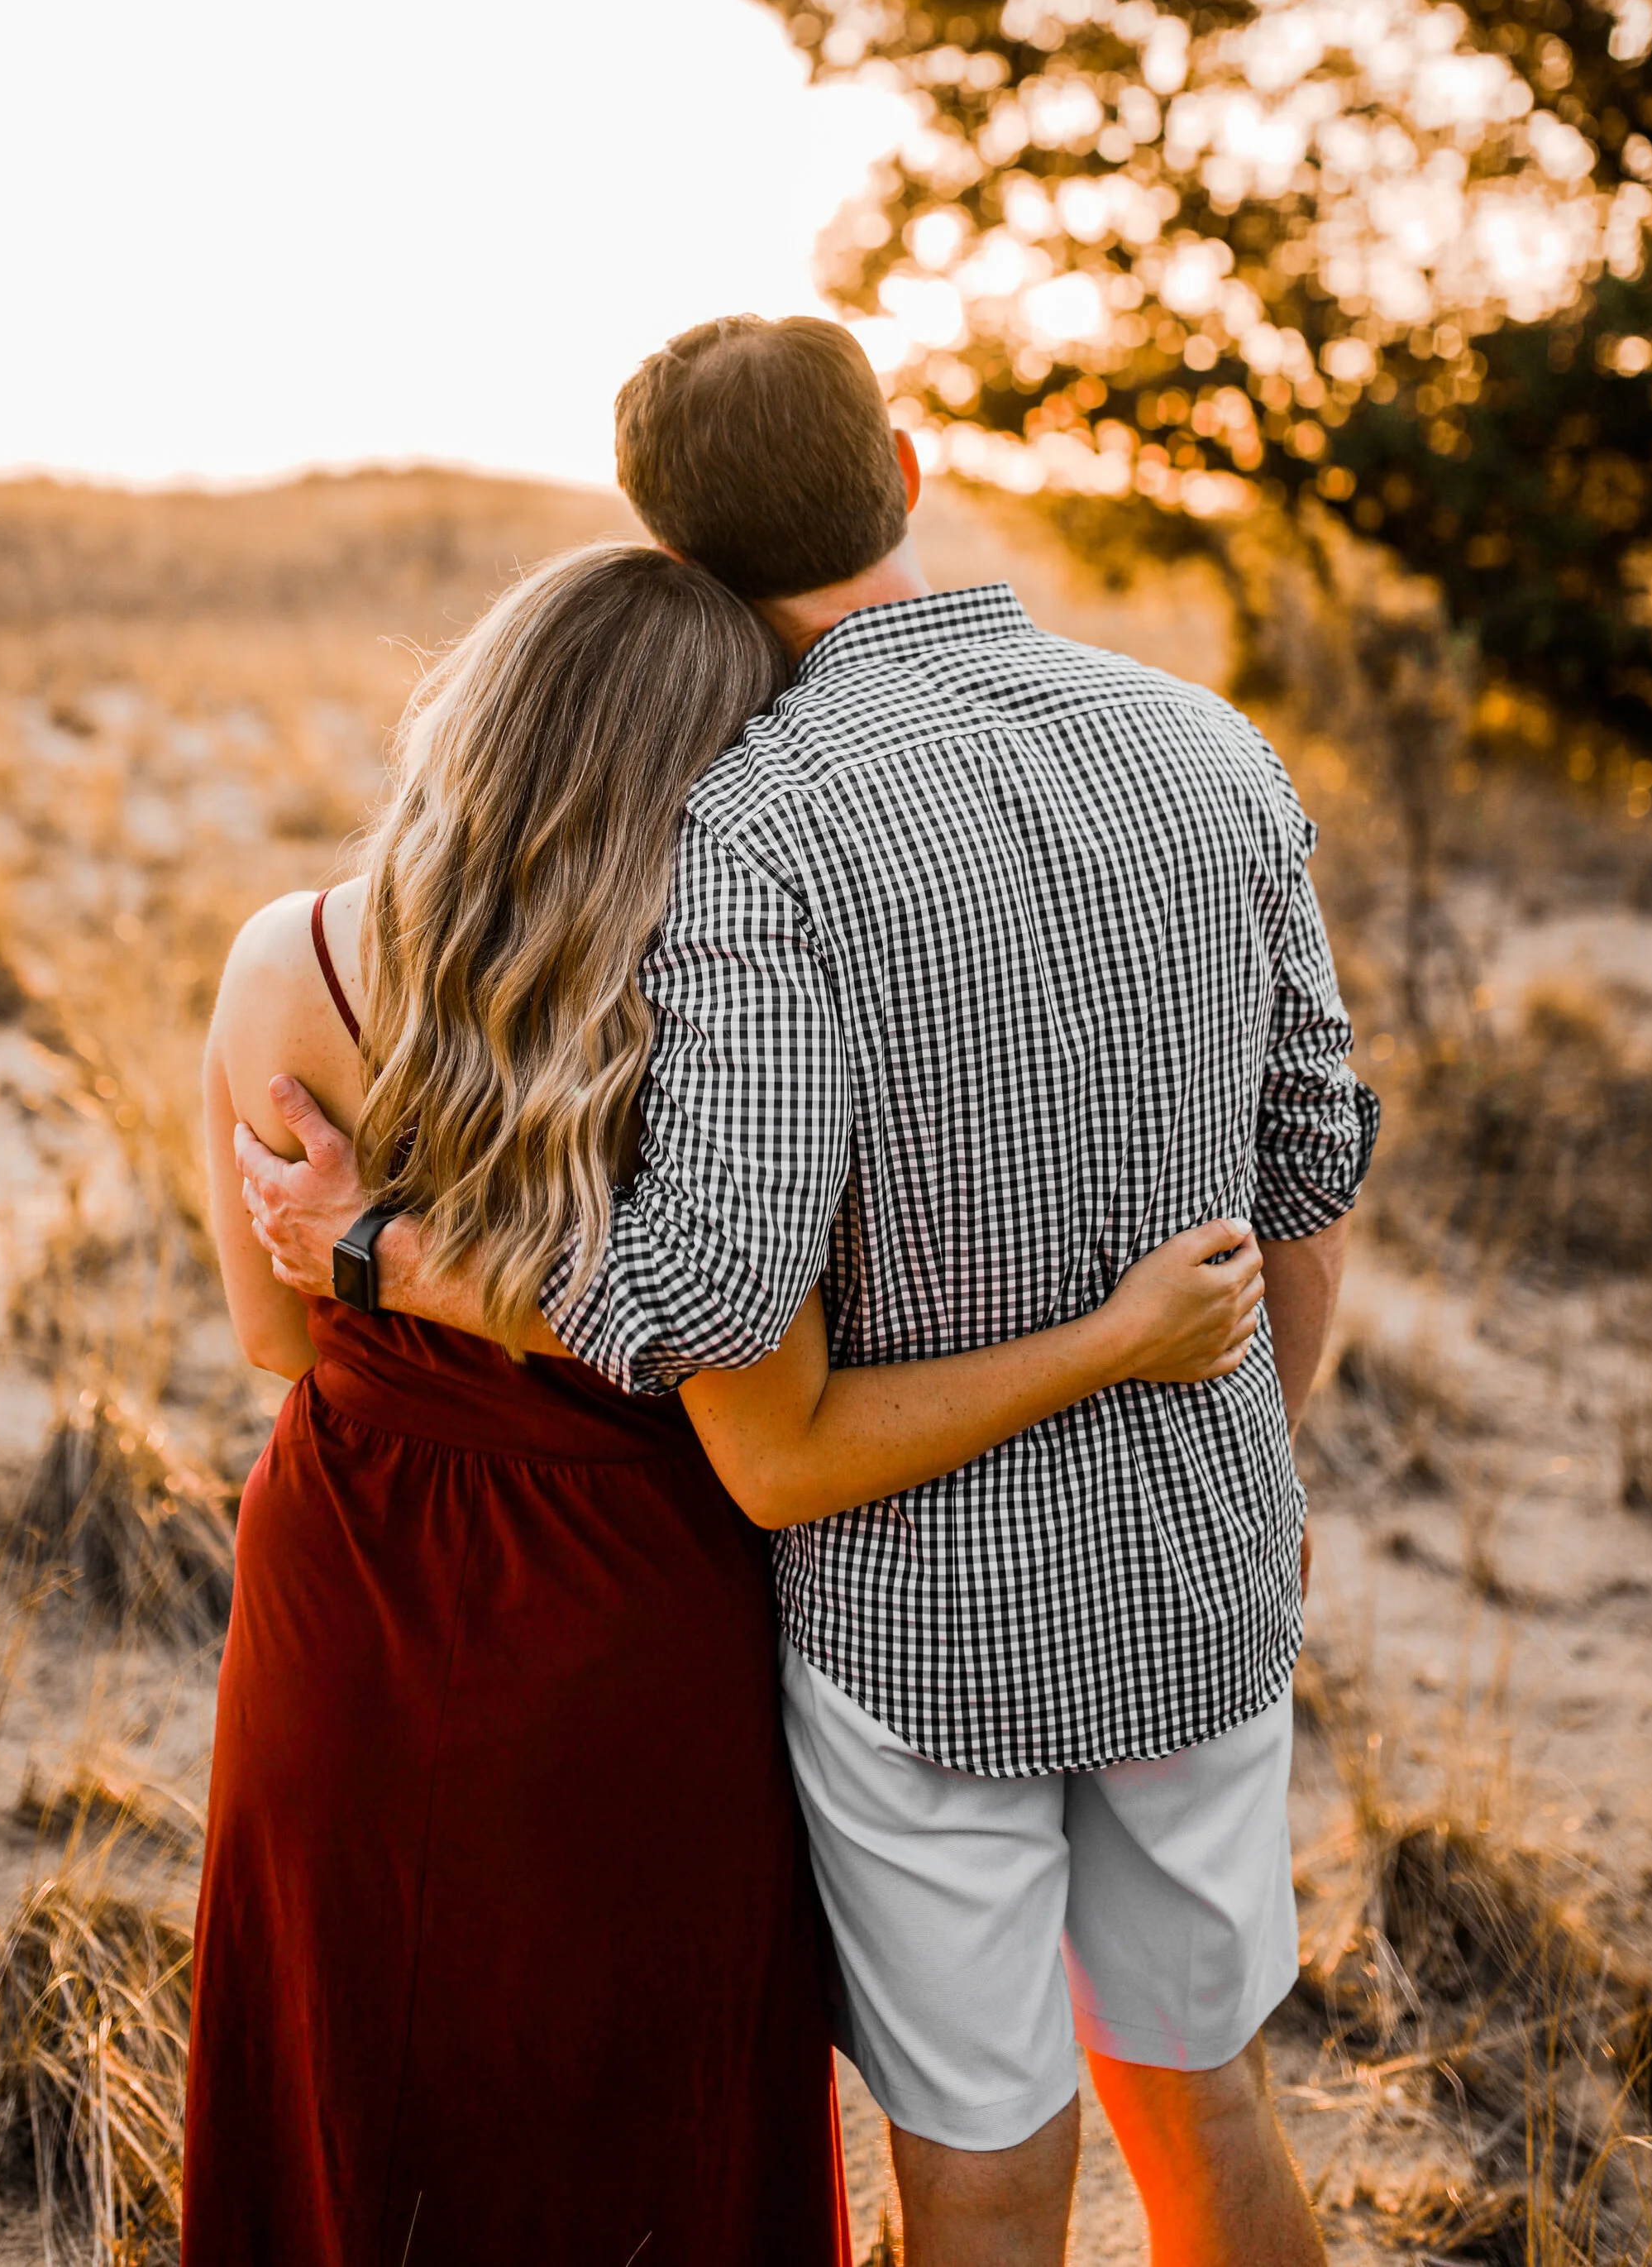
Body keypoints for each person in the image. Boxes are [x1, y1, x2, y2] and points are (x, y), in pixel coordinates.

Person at [186, 536, 1273, 2267]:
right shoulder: (711, 1017)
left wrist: (383, 1253)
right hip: (636, 1593)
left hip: (352, 1574)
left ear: (481, 706)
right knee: (632, 2086)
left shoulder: (281, 960)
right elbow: (760, 1363)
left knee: (357, 2044)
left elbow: (271, 1328)